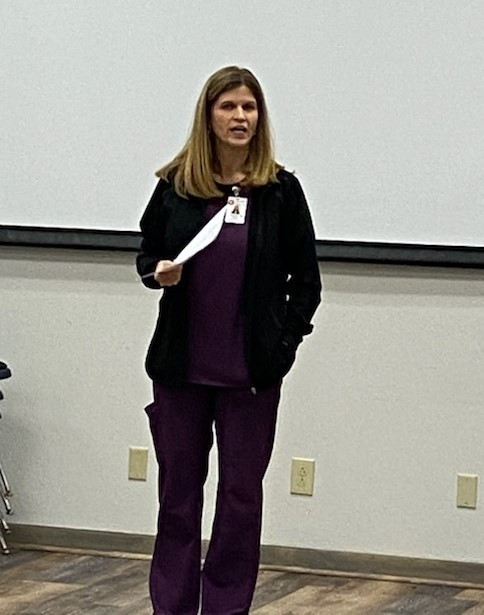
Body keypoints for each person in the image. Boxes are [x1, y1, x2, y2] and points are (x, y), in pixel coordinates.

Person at [136, 66, 321, 615]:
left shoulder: (280, 192)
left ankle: (225, 607)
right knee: (177, 500)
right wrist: (157, 273)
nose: (240, 117)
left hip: (249, 377)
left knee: (240, 501)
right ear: (209, 116)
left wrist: (282, 350)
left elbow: (306, 284)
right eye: (229, 107)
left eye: (249, 107)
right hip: (181, 373)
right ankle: (171, 607)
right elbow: (147, 255)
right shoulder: (175, 186)